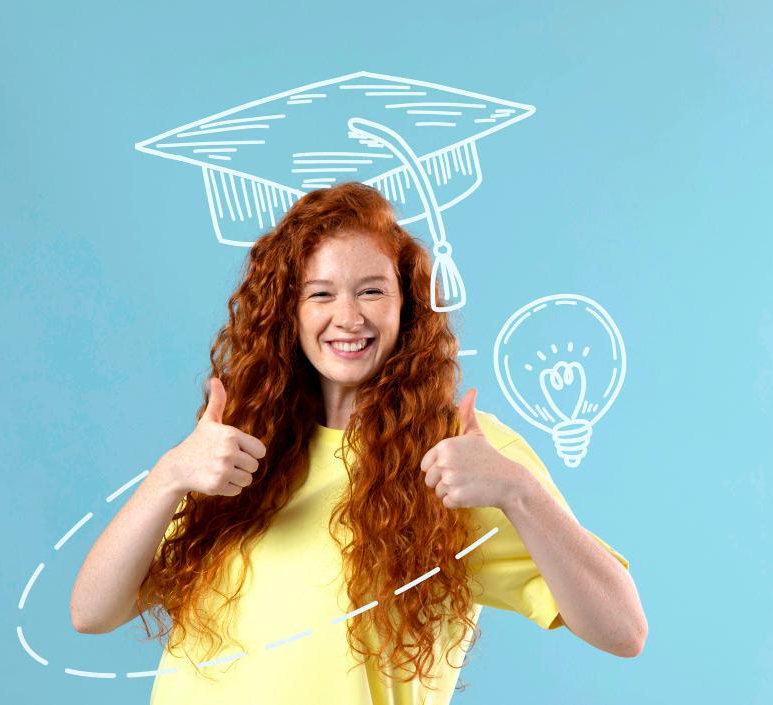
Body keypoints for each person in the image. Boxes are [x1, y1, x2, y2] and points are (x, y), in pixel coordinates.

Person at [70, 182, 647, 704]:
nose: (347, 317)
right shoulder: (236, 446)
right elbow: (92, 613)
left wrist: (518, 491)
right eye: (320, 294)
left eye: (371, 291)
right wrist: (170, 473)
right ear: (286, 314)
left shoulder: (461, 454)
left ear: (407, 307)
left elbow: (623, 629)